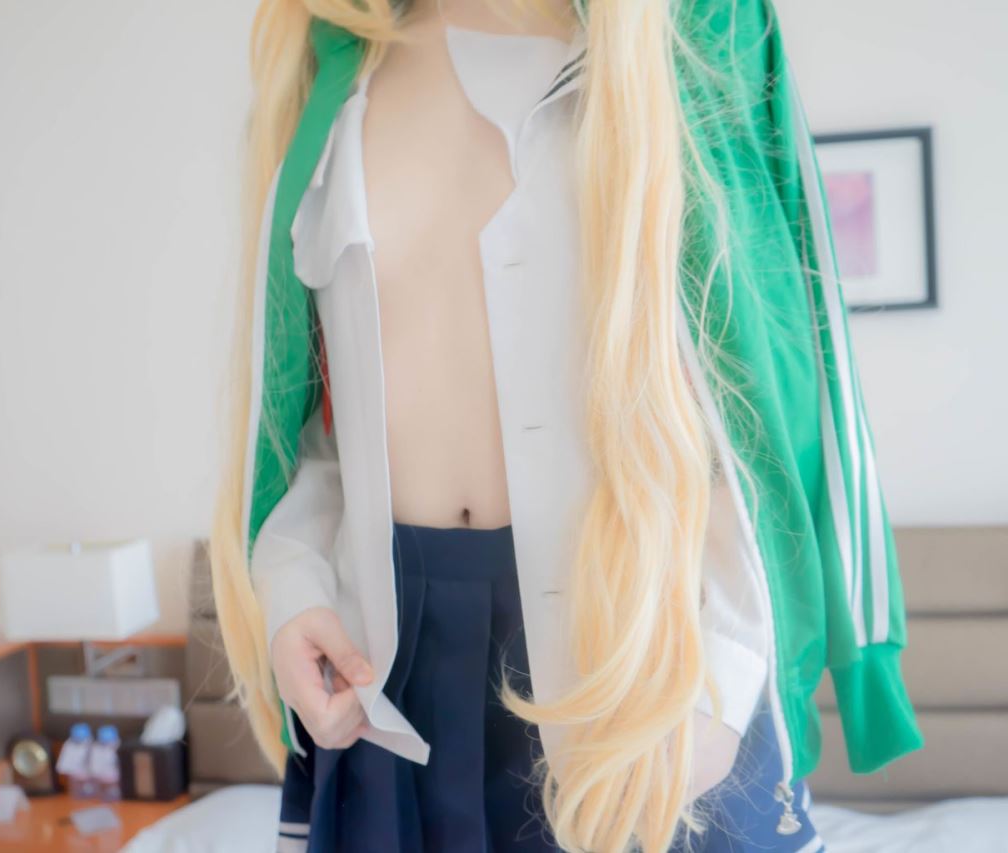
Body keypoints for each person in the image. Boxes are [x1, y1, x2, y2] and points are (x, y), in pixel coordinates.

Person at [209, 0, 924, 850]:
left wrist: (723, 674)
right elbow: (324, 420)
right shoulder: (330, 71)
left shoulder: (692, 33)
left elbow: (762, 400)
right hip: (390, 676)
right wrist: (294, 588)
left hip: (639, 655)